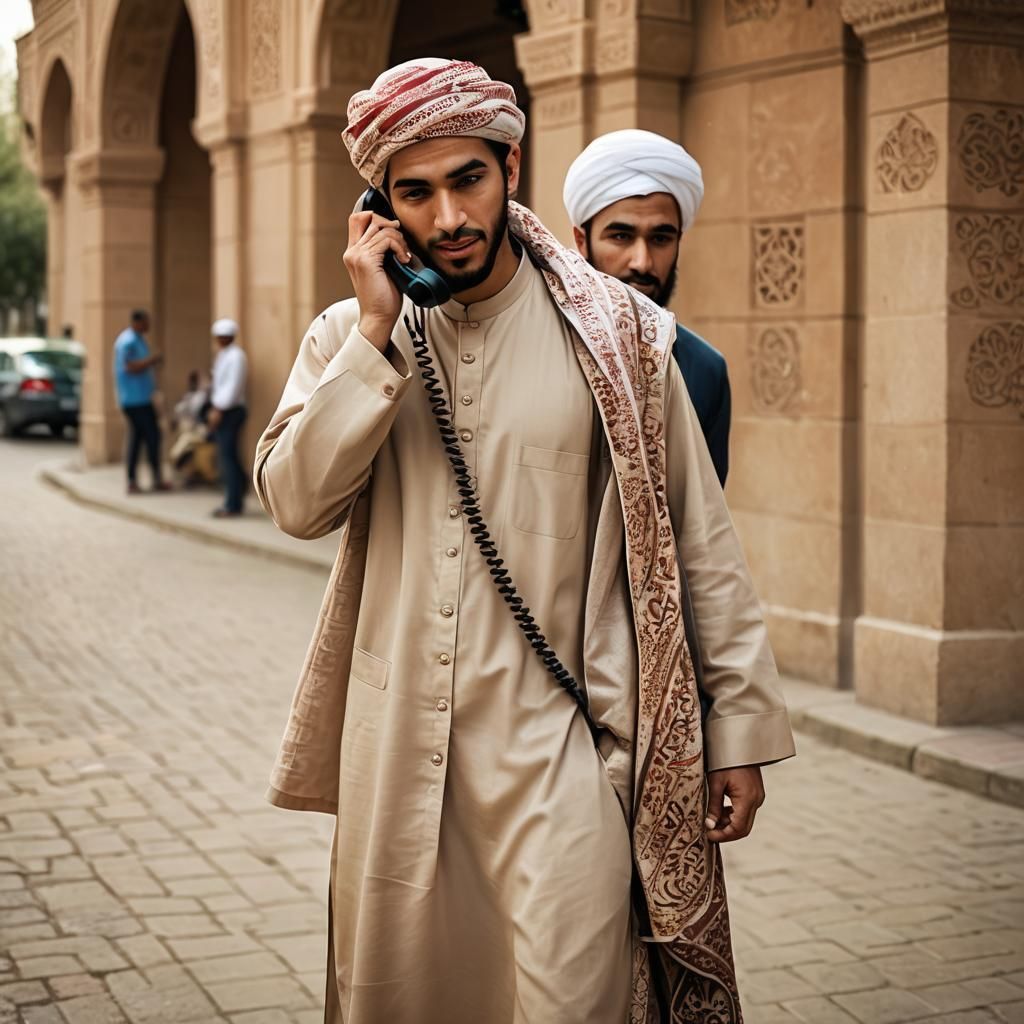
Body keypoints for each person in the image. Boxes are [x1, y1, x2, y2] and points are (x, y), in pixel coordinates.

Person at [255, 58, 795, 1024]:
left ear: (510, 166)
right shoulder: (349, 336)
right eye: (415, 193)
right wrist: (376, 330)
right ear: (380, 210)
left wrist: (739, 733)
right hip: (399, 753)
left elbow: (699, 543)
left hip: (565, 753)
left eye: (468, 179)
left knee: (572, 999)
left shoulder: (623, 338)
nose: (449, 217)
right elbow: (297, 502)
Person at [564, 130, 731, 485]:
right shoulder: (537, 345)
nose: (642, 261)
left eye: (660, 238)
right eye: (621, 236)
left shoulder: (705, 370)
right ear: (581, 240)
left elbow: (702, 509)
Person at [113, 309, 170, 494]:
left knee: (137, 439)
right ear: (137, 322)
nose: (148, 326)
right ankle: (154, 479)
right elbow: (129, 367)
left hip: (142, 397)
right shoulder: (128, 341)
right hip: (135, 400)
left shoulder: (139, 339)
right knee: (152, 437)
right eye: (146, 322)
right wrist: (151, 360)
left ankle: (135, 480)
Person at [207, 318, 248, 517]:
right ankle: (240, 488)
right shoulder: (224, 355)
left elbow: (233, 387)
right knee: (229, 455)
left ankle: (233, 504)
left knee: (227, 457)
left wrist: (219, 410)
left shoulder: (236, 356)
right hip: (223, 409)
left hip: (230, 411)